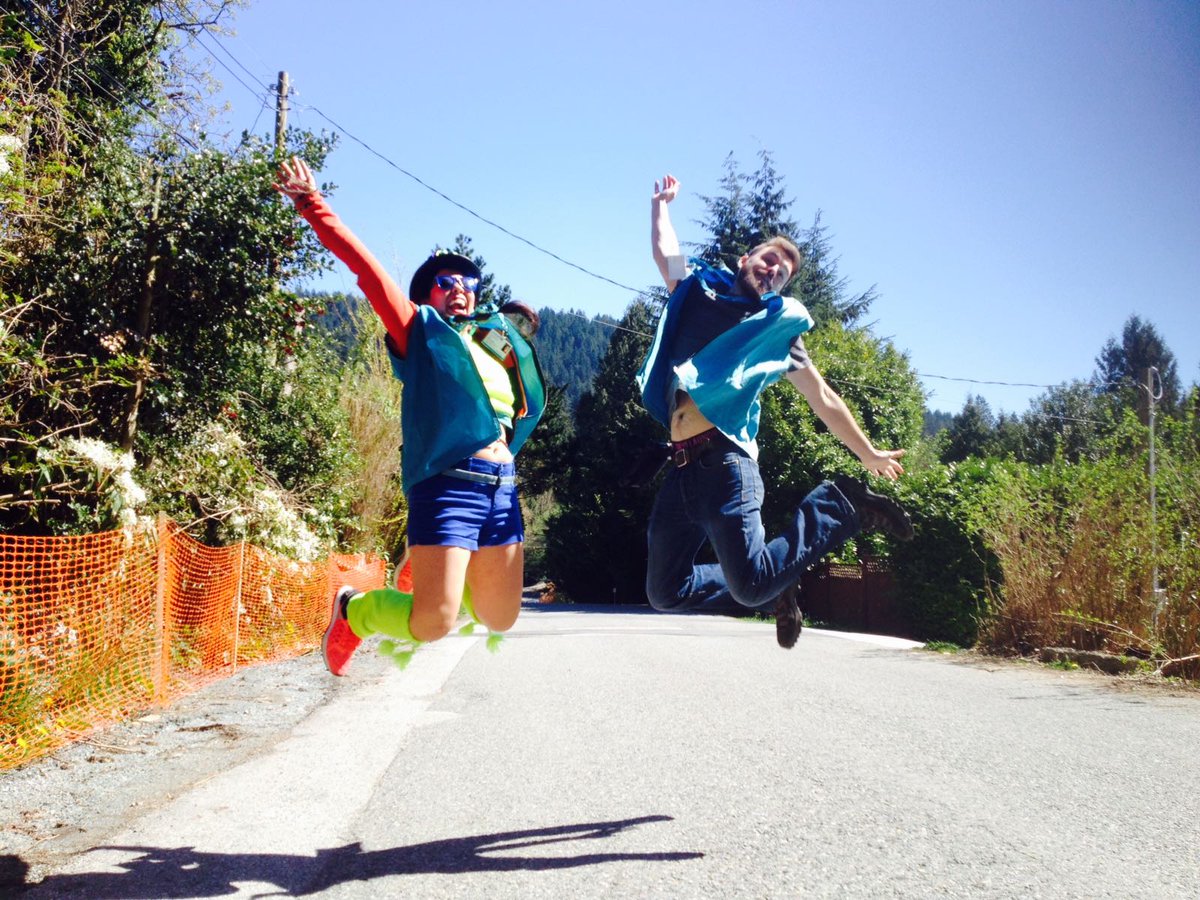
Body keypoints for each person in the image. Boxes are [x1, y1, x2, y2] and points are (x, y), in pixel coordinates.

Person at [274, 157, 545, 675]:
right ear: (425, 295)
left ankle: (429, 569)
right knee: (434, 623)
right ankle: (355, 609)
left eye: (468, 281)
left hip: (501, 484)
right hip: (447, 484)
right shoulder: (416, 332)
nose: (460, 287)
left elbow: (520, 405)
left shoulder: (495, 342)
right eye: (445, 282)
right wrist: (312, 205)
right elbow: (367, 270)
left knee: (501, 616)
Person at [637, 173, 913, 649]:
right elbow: (665, 251)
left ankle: (841, 504)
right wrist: (661, 205)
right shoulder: (698, 288)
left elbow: (822, 397)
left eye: (781, 274)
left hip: (727, 467)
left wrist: (868, 454)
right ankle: (778, 584)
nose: (772, 271)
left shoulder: (776, 332)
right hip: (680, 471)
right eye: (768, 260)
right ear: (746, 259)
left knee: (749, 585)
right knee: (665, 592)